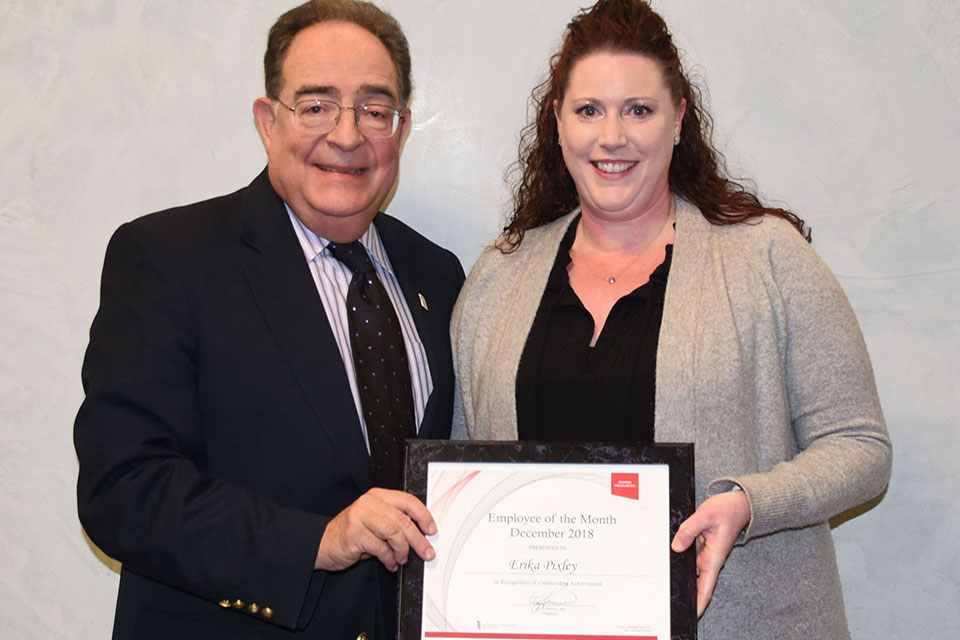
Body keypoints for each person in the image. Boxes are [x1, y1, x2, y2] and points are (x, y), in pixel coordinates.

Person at [450, 1, 891, 638]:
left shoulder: (767, 257)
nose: (611, 136)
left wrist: (750, 503)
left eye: (639, 109)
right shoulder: (498, 276)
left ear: (678, 118)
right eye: (588, 110)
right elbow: (468, 471)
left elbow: (862, 447)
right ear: (558, 121)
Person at [74, 1, 464, 638]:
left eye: (374, 108)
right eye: (315, 105)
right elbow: (122, 489)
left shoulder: (437, 275)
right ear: (268, 120)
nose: (346, 134)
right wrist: (316, 540)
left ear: (401, 127)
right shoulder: (169, 258)